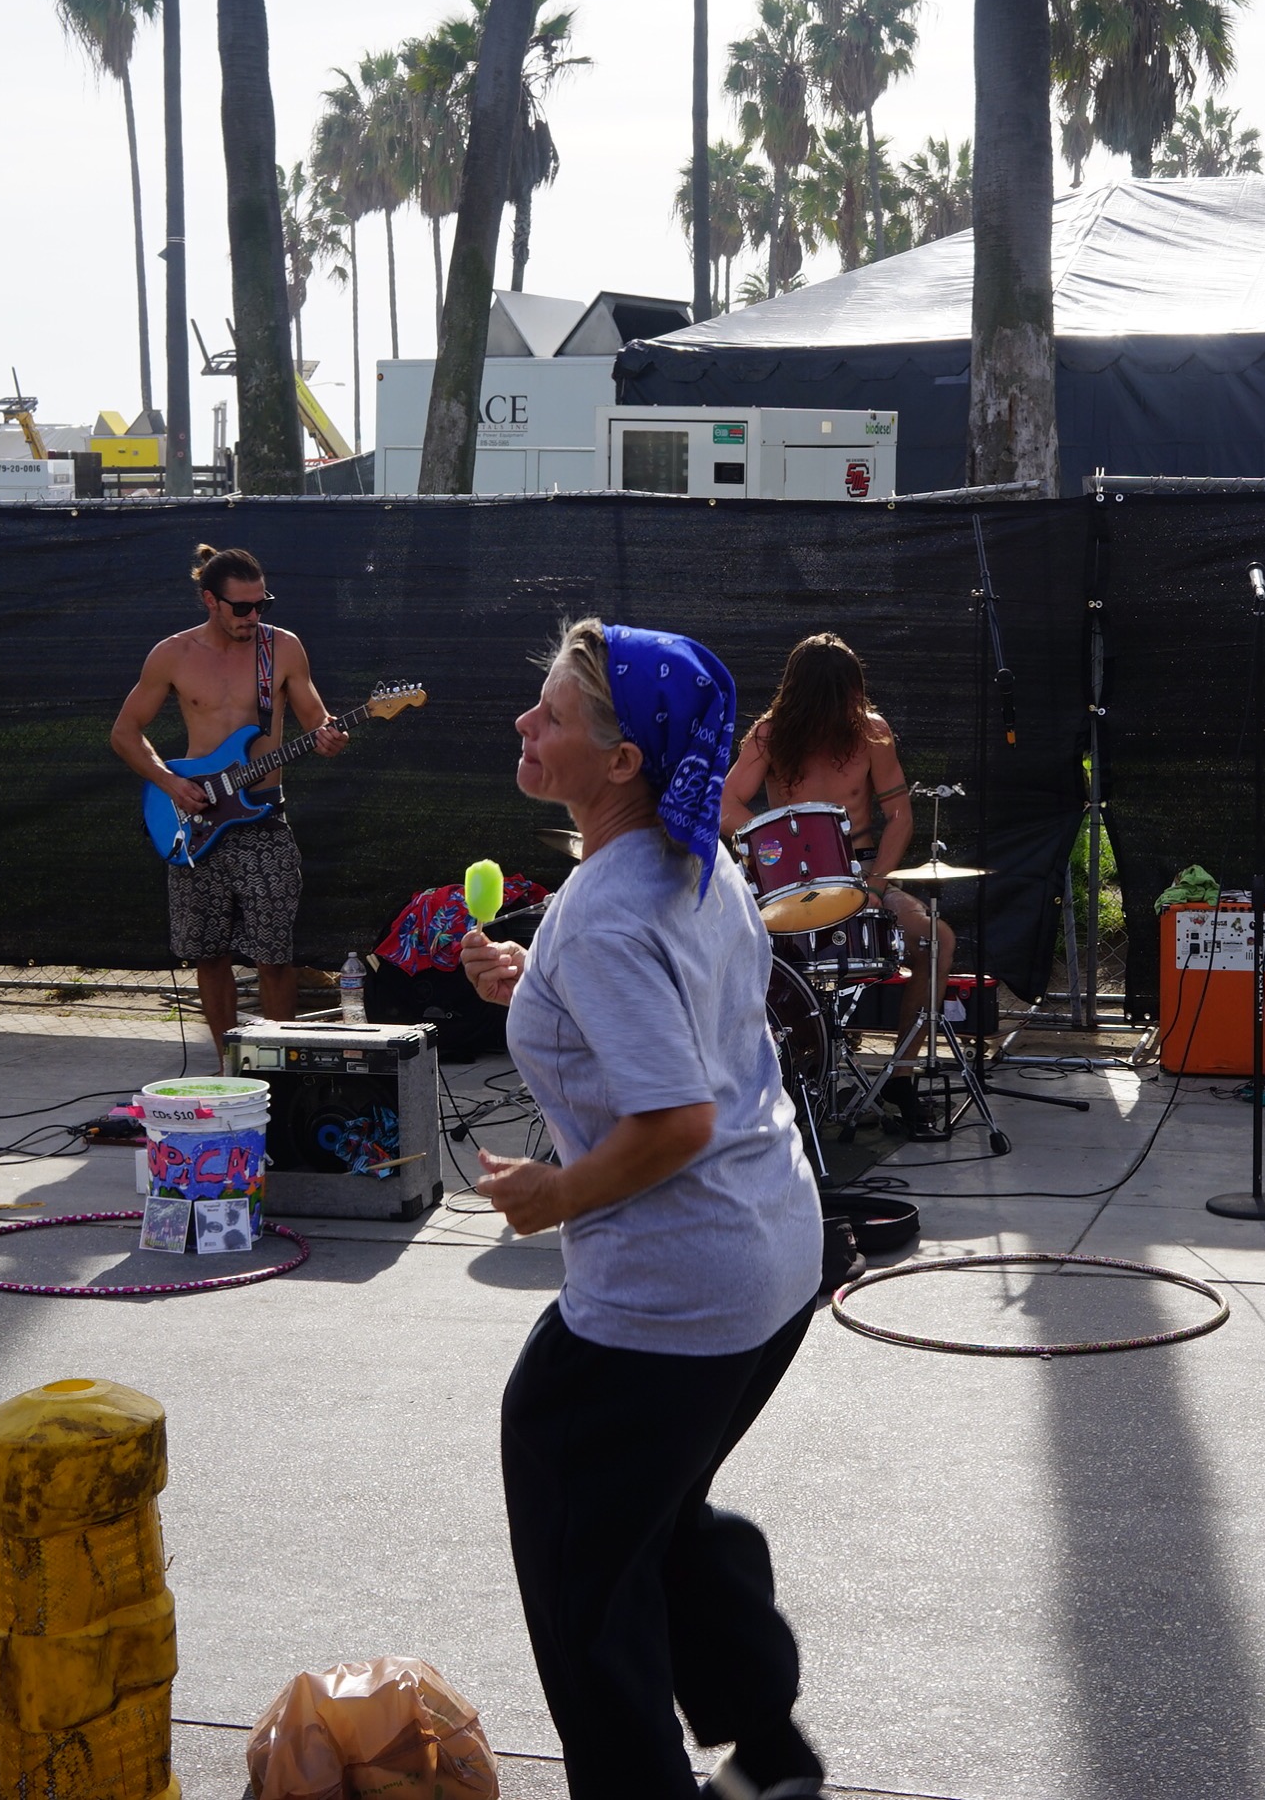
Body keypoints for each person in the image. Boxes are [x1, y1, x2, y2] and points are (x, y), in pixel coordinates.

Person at [459, 619, 828, 1800]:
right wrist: (539, 985)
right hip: (775, 1263)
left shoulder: (612, 911)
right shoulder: (693, 857)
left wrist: (552, 1196)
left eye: (555, 714)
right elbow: (678, 1012)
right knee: (651, 1514)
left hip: (678, 1291)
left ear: (622, 762)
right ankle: (769, 1757)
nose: (526, 722)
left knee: (584, 1556)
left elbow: (674, 1122)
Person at [108, 544, 345, 1043]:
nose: (253, 616)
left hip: (264, 822)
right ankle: (225, 1068)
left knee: (274, 956)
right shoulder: (172, 654)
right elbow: (125, 733)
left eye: (262, 604)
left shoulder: (283, 648)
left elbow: (315, 718)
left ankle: (278, 1069)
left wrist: (328, 735)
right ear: (210, 601)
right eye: (242, 607)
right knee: (209, 954)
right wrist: (171, 782)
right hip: (195, 823)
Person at [719, 633, 950, 1047]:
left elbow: (900, 817)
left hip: (860, 872)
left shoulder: (872, 732)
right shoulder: (769, 735)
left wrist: (876, 885)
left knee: (937, 940)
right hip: (790, 884)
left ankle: (903, 1072)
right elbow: (724, 803)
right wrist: (775, 847)